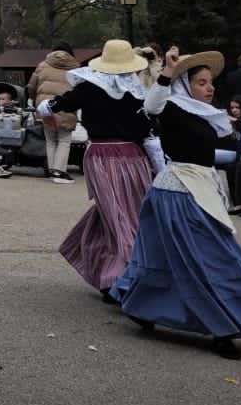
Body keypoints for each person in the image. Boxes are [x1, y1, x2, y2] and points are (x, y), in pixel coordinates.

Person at [113, 49, 241, 357]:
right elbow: (152, 104)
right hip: (178, 194)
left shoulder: (204, 113)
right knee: (209, 260)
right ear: (184, 85)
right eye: (202, 82)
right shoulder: (171, 107)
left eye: (210, 82)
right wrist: (167, 71)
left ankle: (145, 308)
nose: (210, 88)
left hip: (199, 189)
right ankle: (226, 326)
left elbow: (208, 155)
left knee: (187, 259)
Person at [45, 40, 158, 298]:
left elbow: (66, 101)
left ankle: (114, 275)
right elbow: (146, 128)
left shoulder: (94, 87)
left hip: (107, 155)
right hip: (128, 157)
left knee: (116, 214)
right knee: (122, 215)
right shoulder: (134, 89)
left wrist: (48, 106)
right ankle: (123, 278)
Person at [27, 44, 81, 180]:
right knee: (64, 140)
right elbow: (80, 91)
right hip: (66, 107)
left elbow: (31, 87)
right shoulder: (77, 68)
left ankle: (51, 171)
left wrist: (36, 100)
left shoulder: (42, 65)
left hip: (45, 107)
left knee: (50, 140)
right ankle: (59, 171)